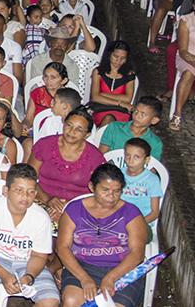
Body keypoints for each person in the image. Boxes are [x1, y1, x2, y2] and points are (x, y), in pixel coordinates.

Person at [0, 163, 61, 307]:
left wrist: (29, 276)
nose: (25, 197)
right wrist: (3, 274)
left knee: (51, 300)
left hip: (27, 262)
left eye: (30, 192)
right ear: (6, 191)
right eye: (19, 190)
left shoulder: (41, 218)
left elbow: (39, 256)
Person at [56, 164, 147, 307]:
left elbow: (137, 254)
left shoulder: (131, 214)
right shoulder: (74, 210)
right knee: (72, 301)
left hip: (121, 269)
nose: (111, 197)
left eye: (117, 191)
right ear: (92, 187)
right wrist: (84, 278)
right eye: (105, 190)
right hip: (82, 266)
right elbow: (62, 247)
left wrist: (111, 277)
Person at [29, 106, 105, 222]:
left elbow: (99, 191)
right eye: (69, 125)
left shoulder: (95, 157)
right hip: (41, 200)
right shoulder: (44, 145)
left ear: (87, 134)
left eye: (79, 129)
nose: (72, 132)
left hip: (78, 209)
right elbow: (29, 177)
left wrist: (70, 208)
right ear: (63, 124)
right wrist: (48, 200)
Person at [98, 95, 163, 160]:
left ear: (154, 120)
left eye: (143, 114)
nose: (136, 116)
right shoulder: (115, 127)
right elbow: (102, 155)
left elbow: (152, 167)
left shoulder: (155, 143)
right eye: (135, 111)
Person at [89, 40, 137, 126]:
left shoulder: (129, 74)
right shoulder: (98, 72)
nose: (118, 61)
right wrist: (120, 103)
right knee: (108, 118)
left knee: (111, 120)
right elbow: (95, 98)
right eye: (116, 56)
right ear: (109, 54)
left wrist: (102, 94)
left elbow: (128, 99)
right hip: (100, 109)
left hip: (121, 111)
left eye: (123, 58)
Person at [121, 138, 163, 231]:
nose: (130, 160)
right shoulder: (118, 174)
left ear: (146, 160)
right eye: (127, 155)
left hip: (142, 223)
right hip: (119, 220)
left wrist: (136, 223)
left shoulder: (152, 180)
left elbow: (155, 213)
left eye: (136, 157)